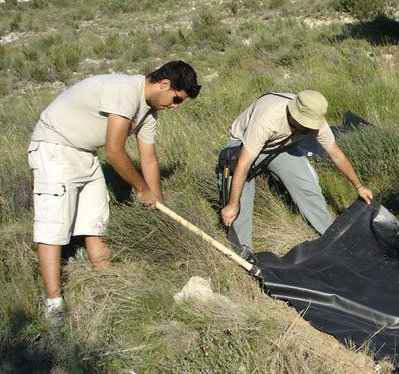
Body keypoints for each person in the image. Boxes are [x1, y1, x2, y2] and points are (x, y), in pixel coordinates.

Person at [28, 61, 202, 326]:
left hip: (85, 154)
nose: (175, 106)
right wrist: (142, 189)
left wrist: (158, 200)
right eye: (176, 99)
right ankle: (54, 305)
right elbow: (114, 151)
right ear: (164, 84)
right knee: (53, 227)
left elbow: (149, 159)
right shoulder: (125, 91)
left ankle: (107, 285)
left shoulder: (149, 113)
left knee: (96, 222)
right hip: (54, 147)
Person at [218, 90, 373, 257]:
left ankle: (331, 237)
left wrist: (359, 186)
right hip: (242, 145)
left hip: (282, 146)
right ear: (293, 114)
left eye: (311, 125)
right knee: (239, 199)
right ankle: (243, 253)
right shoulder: (268, 120)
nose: (309, 129)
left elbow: (336, 155)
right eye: (305, 124)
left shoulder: (315, 118)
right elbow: (244, 164)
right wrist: (233, 205)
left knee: (308, 186)